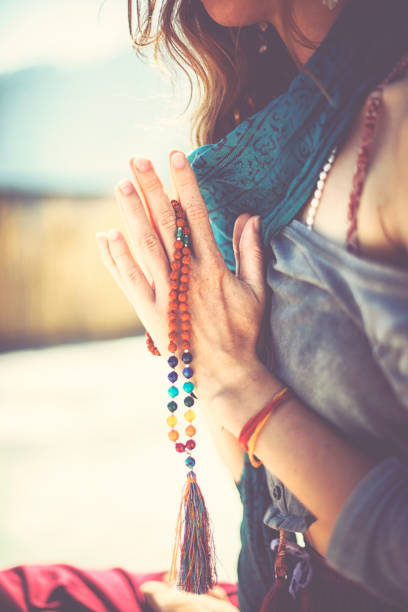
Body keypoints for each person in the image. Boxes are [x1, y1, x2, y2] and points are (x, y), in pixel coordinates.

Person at [0, 0, 407, 611]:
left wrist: (237, 386)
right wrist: (205, 353)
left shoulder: (395, 138)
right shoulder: (264, 152)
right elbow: (265, 492)